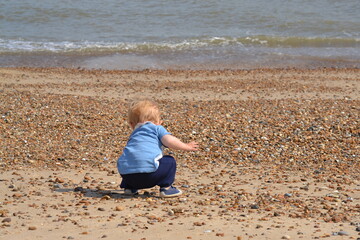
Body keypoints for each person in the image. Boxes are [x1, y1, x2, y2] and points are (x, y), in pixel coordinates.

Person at [117, 100, 199, 198]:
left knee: (131, 159)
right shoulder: (156, 128)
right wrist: (186, 146)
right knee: (170, 161)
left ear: (131, 124)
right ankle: (166, 189)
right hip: (150, 176)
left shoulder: (134, 134)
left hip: (127, 176)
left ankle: (129, 188)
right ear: (159, 123)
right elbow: (170, 141)